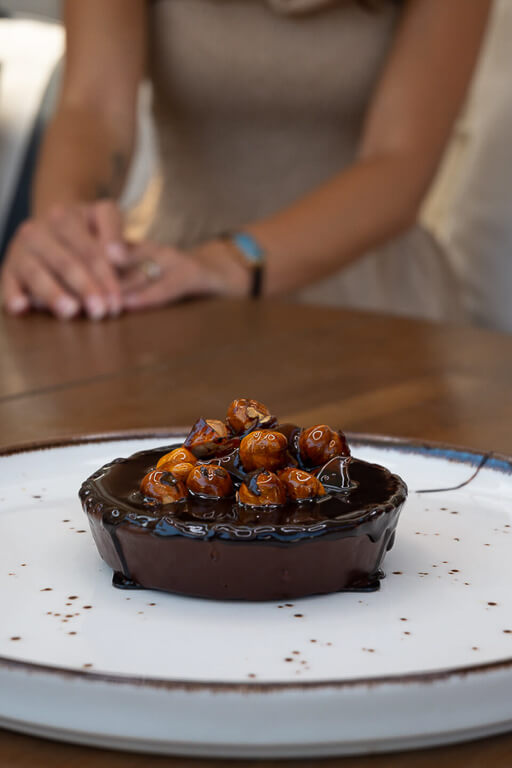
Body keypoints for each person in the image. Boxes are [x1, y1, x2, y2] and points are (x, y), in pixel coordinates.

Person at [0, 0, 491, 321]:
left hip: (374, 299)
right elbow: (92, 107)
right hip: (173, 285)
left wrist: (224, 264)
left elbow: (398, 165)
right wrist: (65, 237)